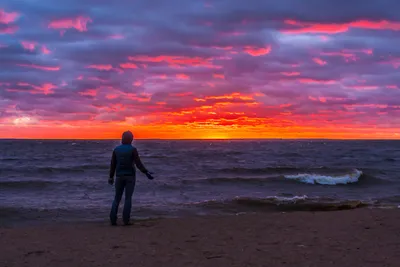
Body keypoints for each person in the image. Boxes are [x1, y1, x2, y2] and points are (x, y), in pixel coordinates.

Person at [108, 130, 154, 226]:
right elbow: (138, 164)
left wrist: (111, 177)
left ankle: (113, 219)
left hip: (119, 176)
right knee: (128, 198)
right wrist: (146, 172)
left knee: (117, 198)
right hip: (130, 176)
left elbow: (113, 165)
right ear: (131, 139)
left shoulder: (116, 150)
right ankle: (126, 220)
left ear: (122, 138)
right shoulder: (133, 149)